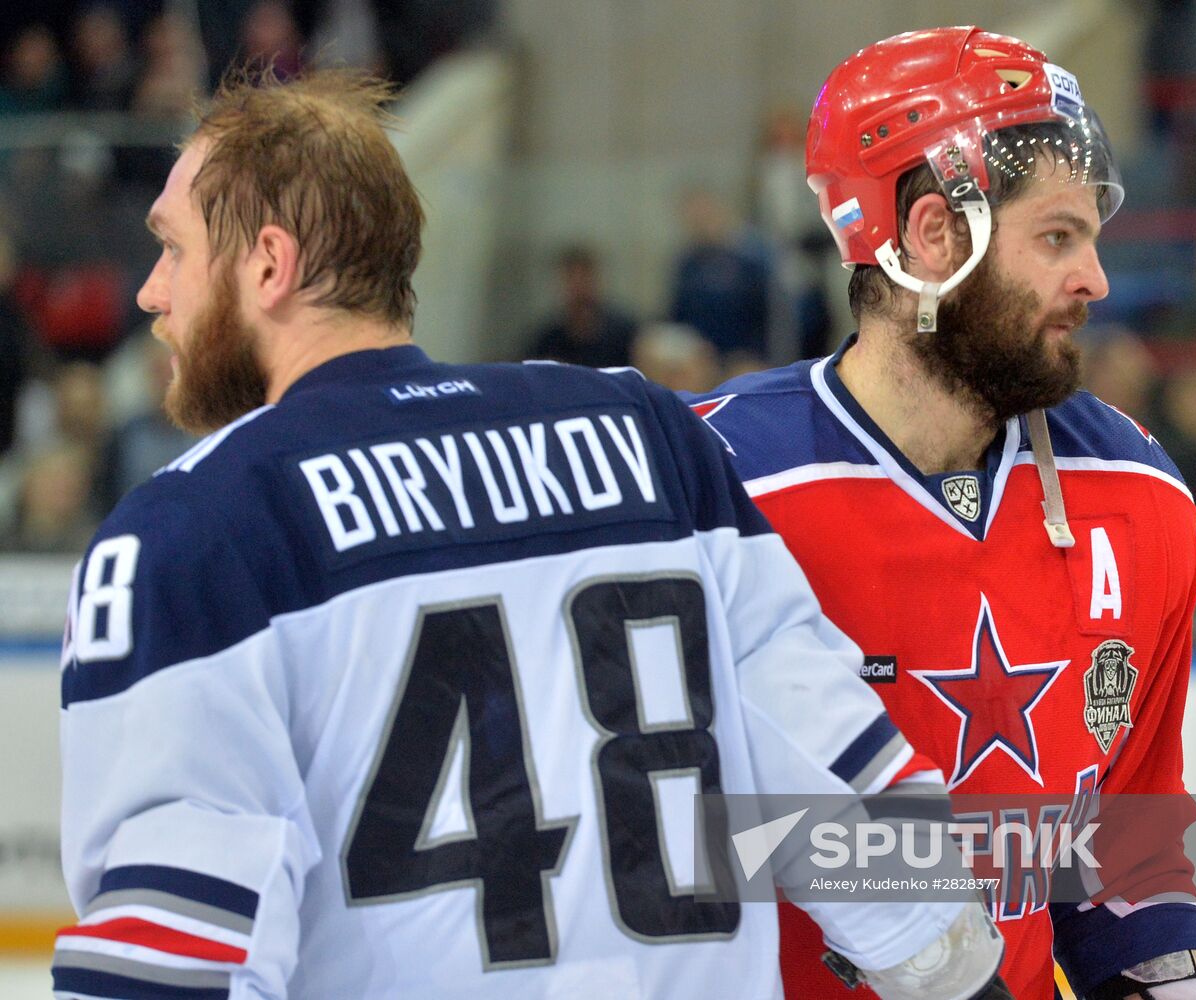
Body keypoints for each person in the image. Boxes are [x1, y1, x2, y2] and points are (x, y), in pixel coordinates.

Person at [53, 68, 1010, 1000]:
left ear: (269, 263)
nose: (150, 292)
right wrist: (964, 974)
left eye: (172, 249)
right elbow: (864, 825)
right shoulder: (651, 436)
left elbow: (174, 952)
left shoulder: (193, 530)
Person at [686, 27, 1196, 1000]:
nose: (1095, 281)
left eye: (1092, 237)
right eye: (1057, 237)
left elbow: (1122, 851)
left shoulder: (1138, 494)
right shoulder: (717, 490)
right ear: (931, 237)